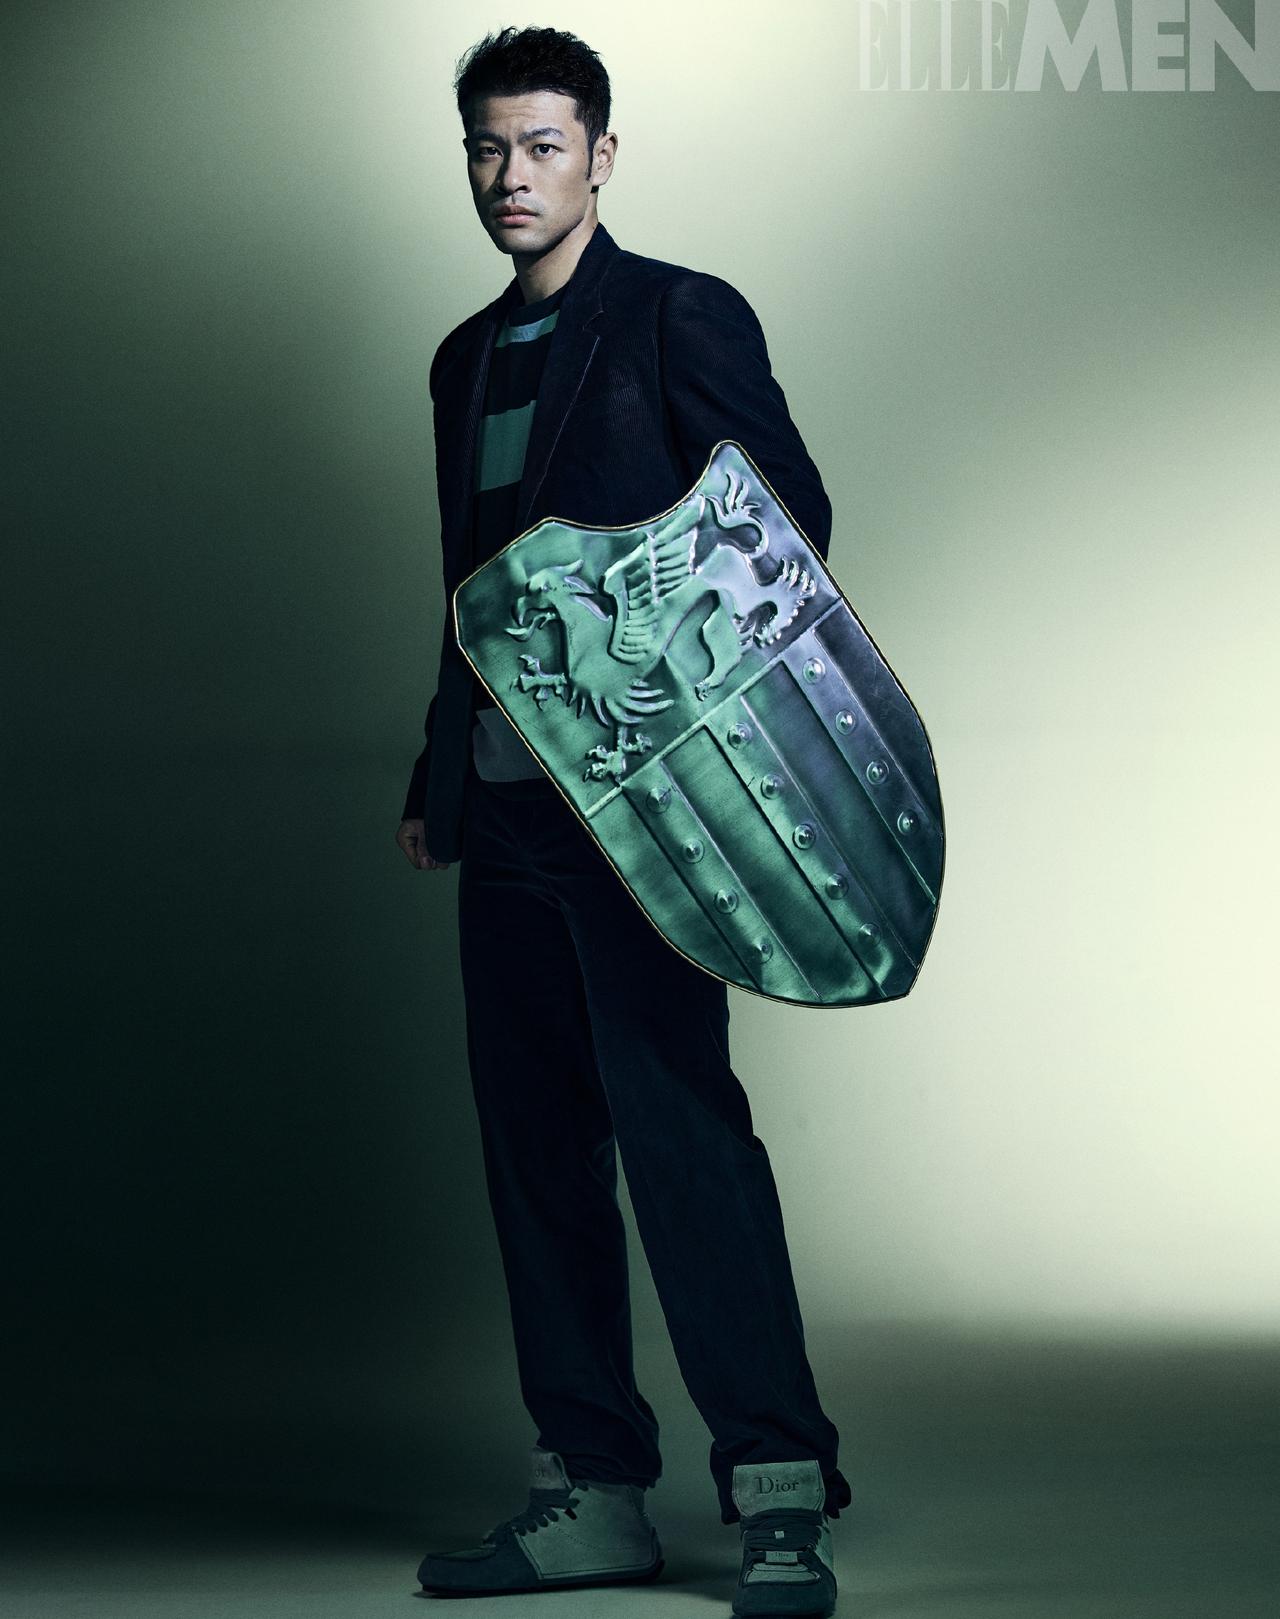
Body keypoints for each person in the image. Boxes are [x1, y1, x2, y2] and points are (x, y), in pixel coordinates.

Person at [394, 26, 849, 1618]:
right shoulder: (463, 359)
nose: (511, 176)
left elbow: (783, 521)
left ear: (601, 155)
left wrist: (634, 654)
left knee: (680, 1136)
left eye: (541, 145)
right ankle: (592, 1493)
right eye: (487, 147)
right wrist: (438, 769)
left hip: (646, 818)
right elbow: (471, 587)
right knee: (537, 1156)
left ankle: (778, 1492)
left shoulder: (673, 314)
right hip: (503, 812)